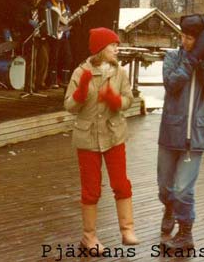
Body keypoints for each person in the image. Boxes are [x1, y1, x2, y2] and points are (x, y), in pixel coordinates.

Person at [64, 27, 139, 254]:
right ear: (100, 49)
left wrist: (117, 101)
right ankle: (89, 237)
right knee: (91, 189)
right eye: (113, 45)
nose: (117, 48)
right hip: (87, 137)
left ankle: (127, 229)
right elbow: (69, 106)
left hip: (114, 135)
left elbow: (129, 99)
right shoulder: (80, 72)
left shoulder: (120, 73)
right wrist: (81, 93)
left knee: (121, 183)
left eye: (117, 44)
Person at [157, 14, 204, 251]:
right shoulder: (173, 57)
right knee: (166, 188)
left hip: (196, 135)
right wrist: (189, 60)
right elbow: (171, 84)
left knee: (182, 189)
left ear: (200, 40)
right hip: (171, 131)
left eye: (190, 38)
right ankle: (169, 208)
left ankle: (185, 233)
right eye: (183, 36)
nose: (184, 41)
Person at [15, 0, 49, 91]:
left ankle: (40, 82)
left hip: (40, 38)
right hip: (30, 38)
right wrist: (28, 21)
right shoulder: (24, 7)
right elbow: (18, 19)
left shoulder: (43, 9)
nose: (36, 0)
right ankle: (30, 85)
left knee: (44, 60)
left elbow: (46, 22)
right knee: (31, 62)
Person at [46, 0, 73, 88]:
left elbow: (69, 19)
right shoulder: (49, 5)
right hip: (54, 35)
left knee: (68, 56)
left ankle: (64, 80)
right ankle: (52, 81)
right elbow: (49, 18)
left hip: (64, 35)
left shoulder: (65, 6)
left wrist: (68, 26)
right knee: (54, 57)